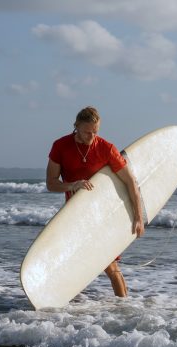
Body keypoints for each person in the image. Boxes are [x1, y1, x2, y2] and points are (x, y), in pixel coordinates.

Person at [45, 106, 145, 297]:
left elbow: (131, 181)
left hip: (103, 215)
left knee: (109, 264)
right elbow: (51, 183)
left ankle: (124, 310)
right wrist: (72, 185)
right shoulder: (61, 146)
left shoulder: (106, 148)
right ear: (76, 127)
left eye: (95, 132)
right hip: (75, 216)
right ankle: (62, 312)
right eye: (87, 132)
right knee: (73, 265)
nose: (92, 136)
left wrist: (138, 217)